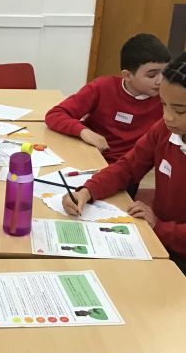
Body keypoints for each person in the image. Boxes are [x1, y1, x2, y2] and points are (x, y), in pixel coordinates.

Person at [62, 53, 186, 275]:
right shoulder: (164, 130)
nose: (167, 116)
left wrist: (159, 227)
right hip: (158, 240)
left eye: (179, 110)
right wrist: (87, 191)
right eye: (163, 104)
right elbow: (128, 167)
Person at [45, 34, 170, 196]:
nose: (160, 81)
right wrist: (84, 131)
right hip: (88, 160)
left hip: (125, 173)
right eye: (152, 75)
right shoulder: (103, 87)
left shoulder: (166, 101)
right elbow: (55, 114)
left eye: (165, 73)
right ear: (127, 75)